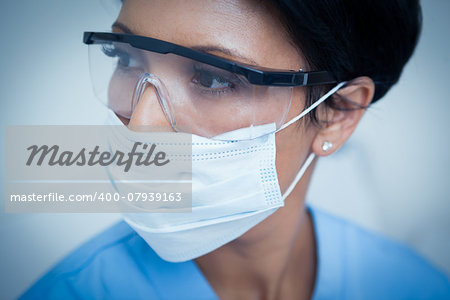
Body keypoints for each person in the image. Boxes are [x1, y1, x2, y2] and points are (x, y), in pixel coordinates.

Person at [21, 0, 449, 299]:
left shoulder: (414, 287)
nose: (140, 125)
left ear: (339, 111)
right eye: (126, 58)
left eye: (211, 78)